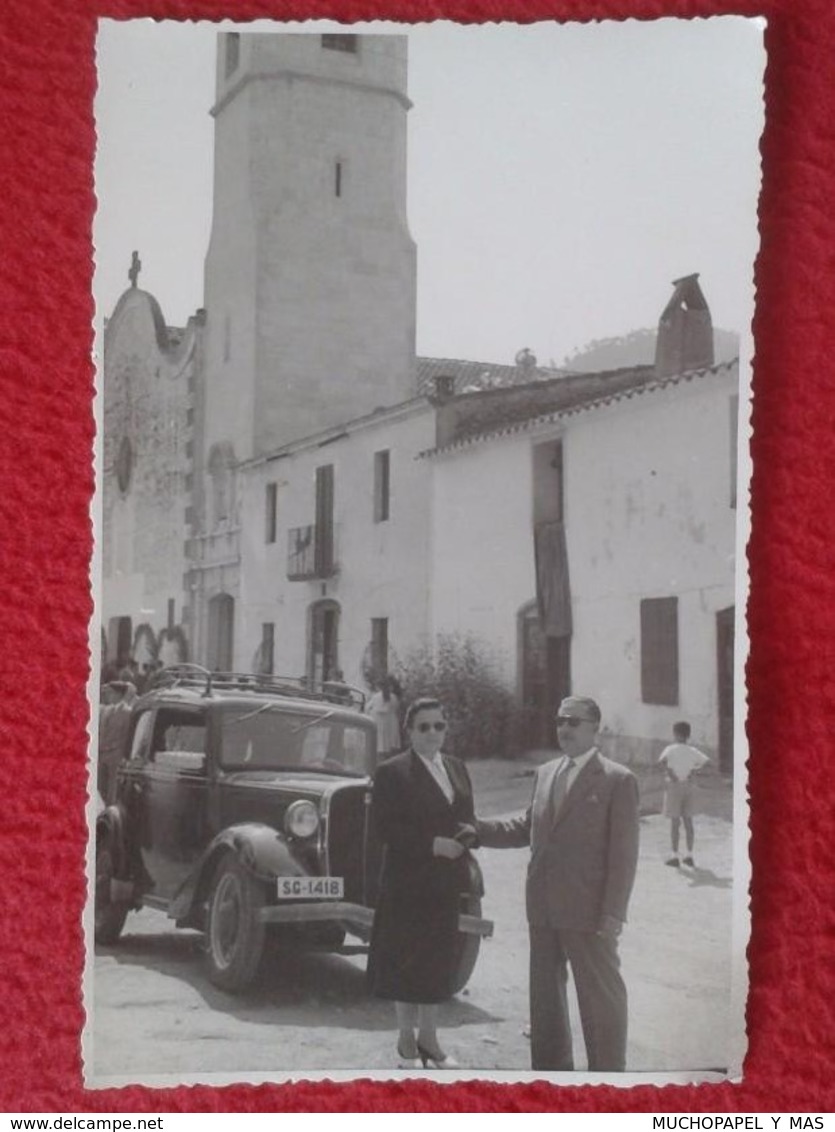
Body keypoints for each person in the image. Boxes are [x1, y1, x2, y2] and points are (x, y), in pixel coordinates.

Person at [476, 696, 640, 1072]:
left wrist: (614, 912)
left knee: (600, 1001)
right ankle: (552, 1079)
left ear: (594, 728)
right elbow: (526, 826)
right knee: (546, 1003)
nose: (564, 728)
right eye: (559, 721)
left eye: (573, 721)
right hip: (544, 905)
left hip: (590, 911)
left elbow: (624, 855)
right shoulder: (546, 772)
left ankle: (608, 1080)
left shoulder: (617, 779)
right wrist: (477, 828)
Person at [367, 696, 476, 1069]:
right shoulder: (392, 772)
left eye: (439, 726)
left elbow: (466, 818)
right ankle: (405, 1042)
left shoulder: (458, 768)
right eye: (424, 727)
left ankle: (430, 1039)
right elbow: (385, 829)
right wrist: (432, 845)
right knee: (406, 959)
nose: (432, 733)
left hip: (445, 883)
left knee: (437, 959)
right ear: (408, 731)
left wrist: (465, 838)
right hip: (407, 881)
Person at [658, 720, 710, 868]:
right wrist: (693, 771)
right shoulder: (693, 751)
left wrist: (671, 774)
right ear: (688, 735)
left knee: (675, 822)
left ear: (675, 734)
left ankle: (674, 856)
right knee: (688, 821)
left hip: (674, 786)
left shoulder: (670, 748)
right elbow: (707, 762)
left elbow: (662, 762)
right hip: (688, 786)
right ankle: (689, 855)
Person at [97, 680, 137, 805]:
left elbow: (127, 735)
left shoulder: (127, 712)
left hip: (116, 754)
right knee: (100, 787)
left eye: (111, 693)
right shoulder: (106, 710)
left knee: (112, 790)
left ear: (119, 694)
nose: (108, 696)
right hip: (103, 753)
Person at [365, 675, 402, 757]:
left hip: (378, 721)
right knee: (389, 745)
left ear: (378, 687)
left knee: (379, 743)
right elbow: (396, 708)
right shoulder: (393, 697)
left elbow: (367, 708)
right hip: (390, 722)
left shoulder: (375, 696)